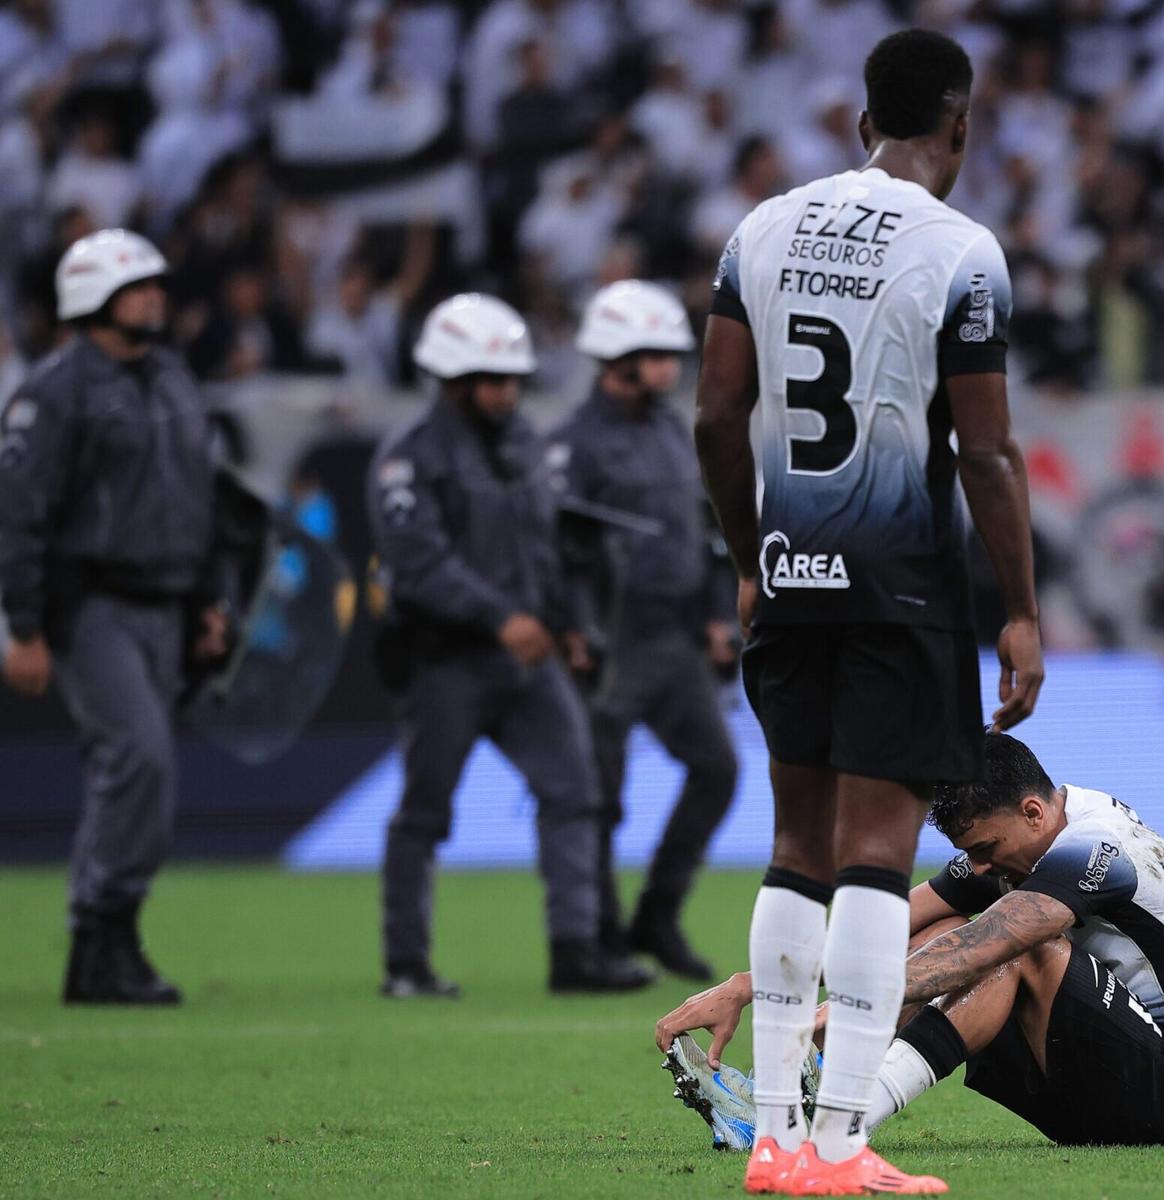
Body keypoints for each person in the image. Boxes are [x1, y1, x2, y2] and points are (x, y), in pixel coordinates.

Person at [692, 28, 1044, 1196]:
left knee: (794, 852)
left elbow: (716, 417)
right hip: (903, 589)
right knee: (877, 863)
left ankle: (775, 1142)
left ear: (861, 124)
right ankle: (840, 1146)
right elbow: (986, 452)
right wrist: (1021, 608)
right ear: (960, 124)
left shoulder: (760, 229)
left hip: (789, 578)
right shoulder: (962, 252)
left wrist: (749, 556)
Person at [654, 732, 1164, 1156]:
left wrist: (846, 1008)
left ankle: (840, 1122)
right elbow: (889, 925)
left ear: (1033, 812)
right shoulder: (1030, 837)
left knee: (1012, 945)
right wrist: (751, 986)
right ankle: (805, 1101)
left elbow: (987, 945)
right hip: (1095, 1084)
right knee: (938, 934)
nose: (980, 866)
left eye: (986, 849)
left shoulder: (1099, 849)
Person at [367, 292, 647, 999]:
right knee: (425, 810)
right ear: (451, 380)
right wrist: (499, 618)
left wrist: (569, 623)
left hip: (528, 656)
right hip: (445, 660)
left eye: (512, 379)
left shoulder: (525, 444)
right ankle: (406, 964)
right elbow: (419, 564)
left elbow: (545, 552)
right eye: (490, 380)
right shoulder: (408, 458)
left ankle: (575, 951)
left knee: (575, 791)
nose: (506, 391)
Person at [0, 229, 229, 1005]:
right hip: (91, 600)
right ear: (91, 298)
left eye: (156, 285)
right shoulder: (52, 393)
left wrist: (206, 598)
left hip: (165, 601)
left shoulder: (172, 378)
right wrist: (23, 626)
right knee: (137, 754)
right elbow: (18, 515)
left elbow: (197, 497)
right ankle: (98, 934)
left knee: (143, 775)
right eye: (138, 288)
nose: (155, 297)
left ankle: (110, 941)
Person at [549, 279, 739, 981]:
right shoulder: (572, 445)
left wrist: (717, 612)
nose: (670, 365)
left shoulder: (672, 429)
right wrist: (574, 627)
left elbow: (707, 529)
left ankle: (656, 915)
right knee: (598, 794)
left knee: (717, 770)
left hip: (676, 636)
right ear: (617, 357)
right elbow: (558, 552)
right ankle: (597, 935)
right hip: (611, 640)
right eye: (656, 354)